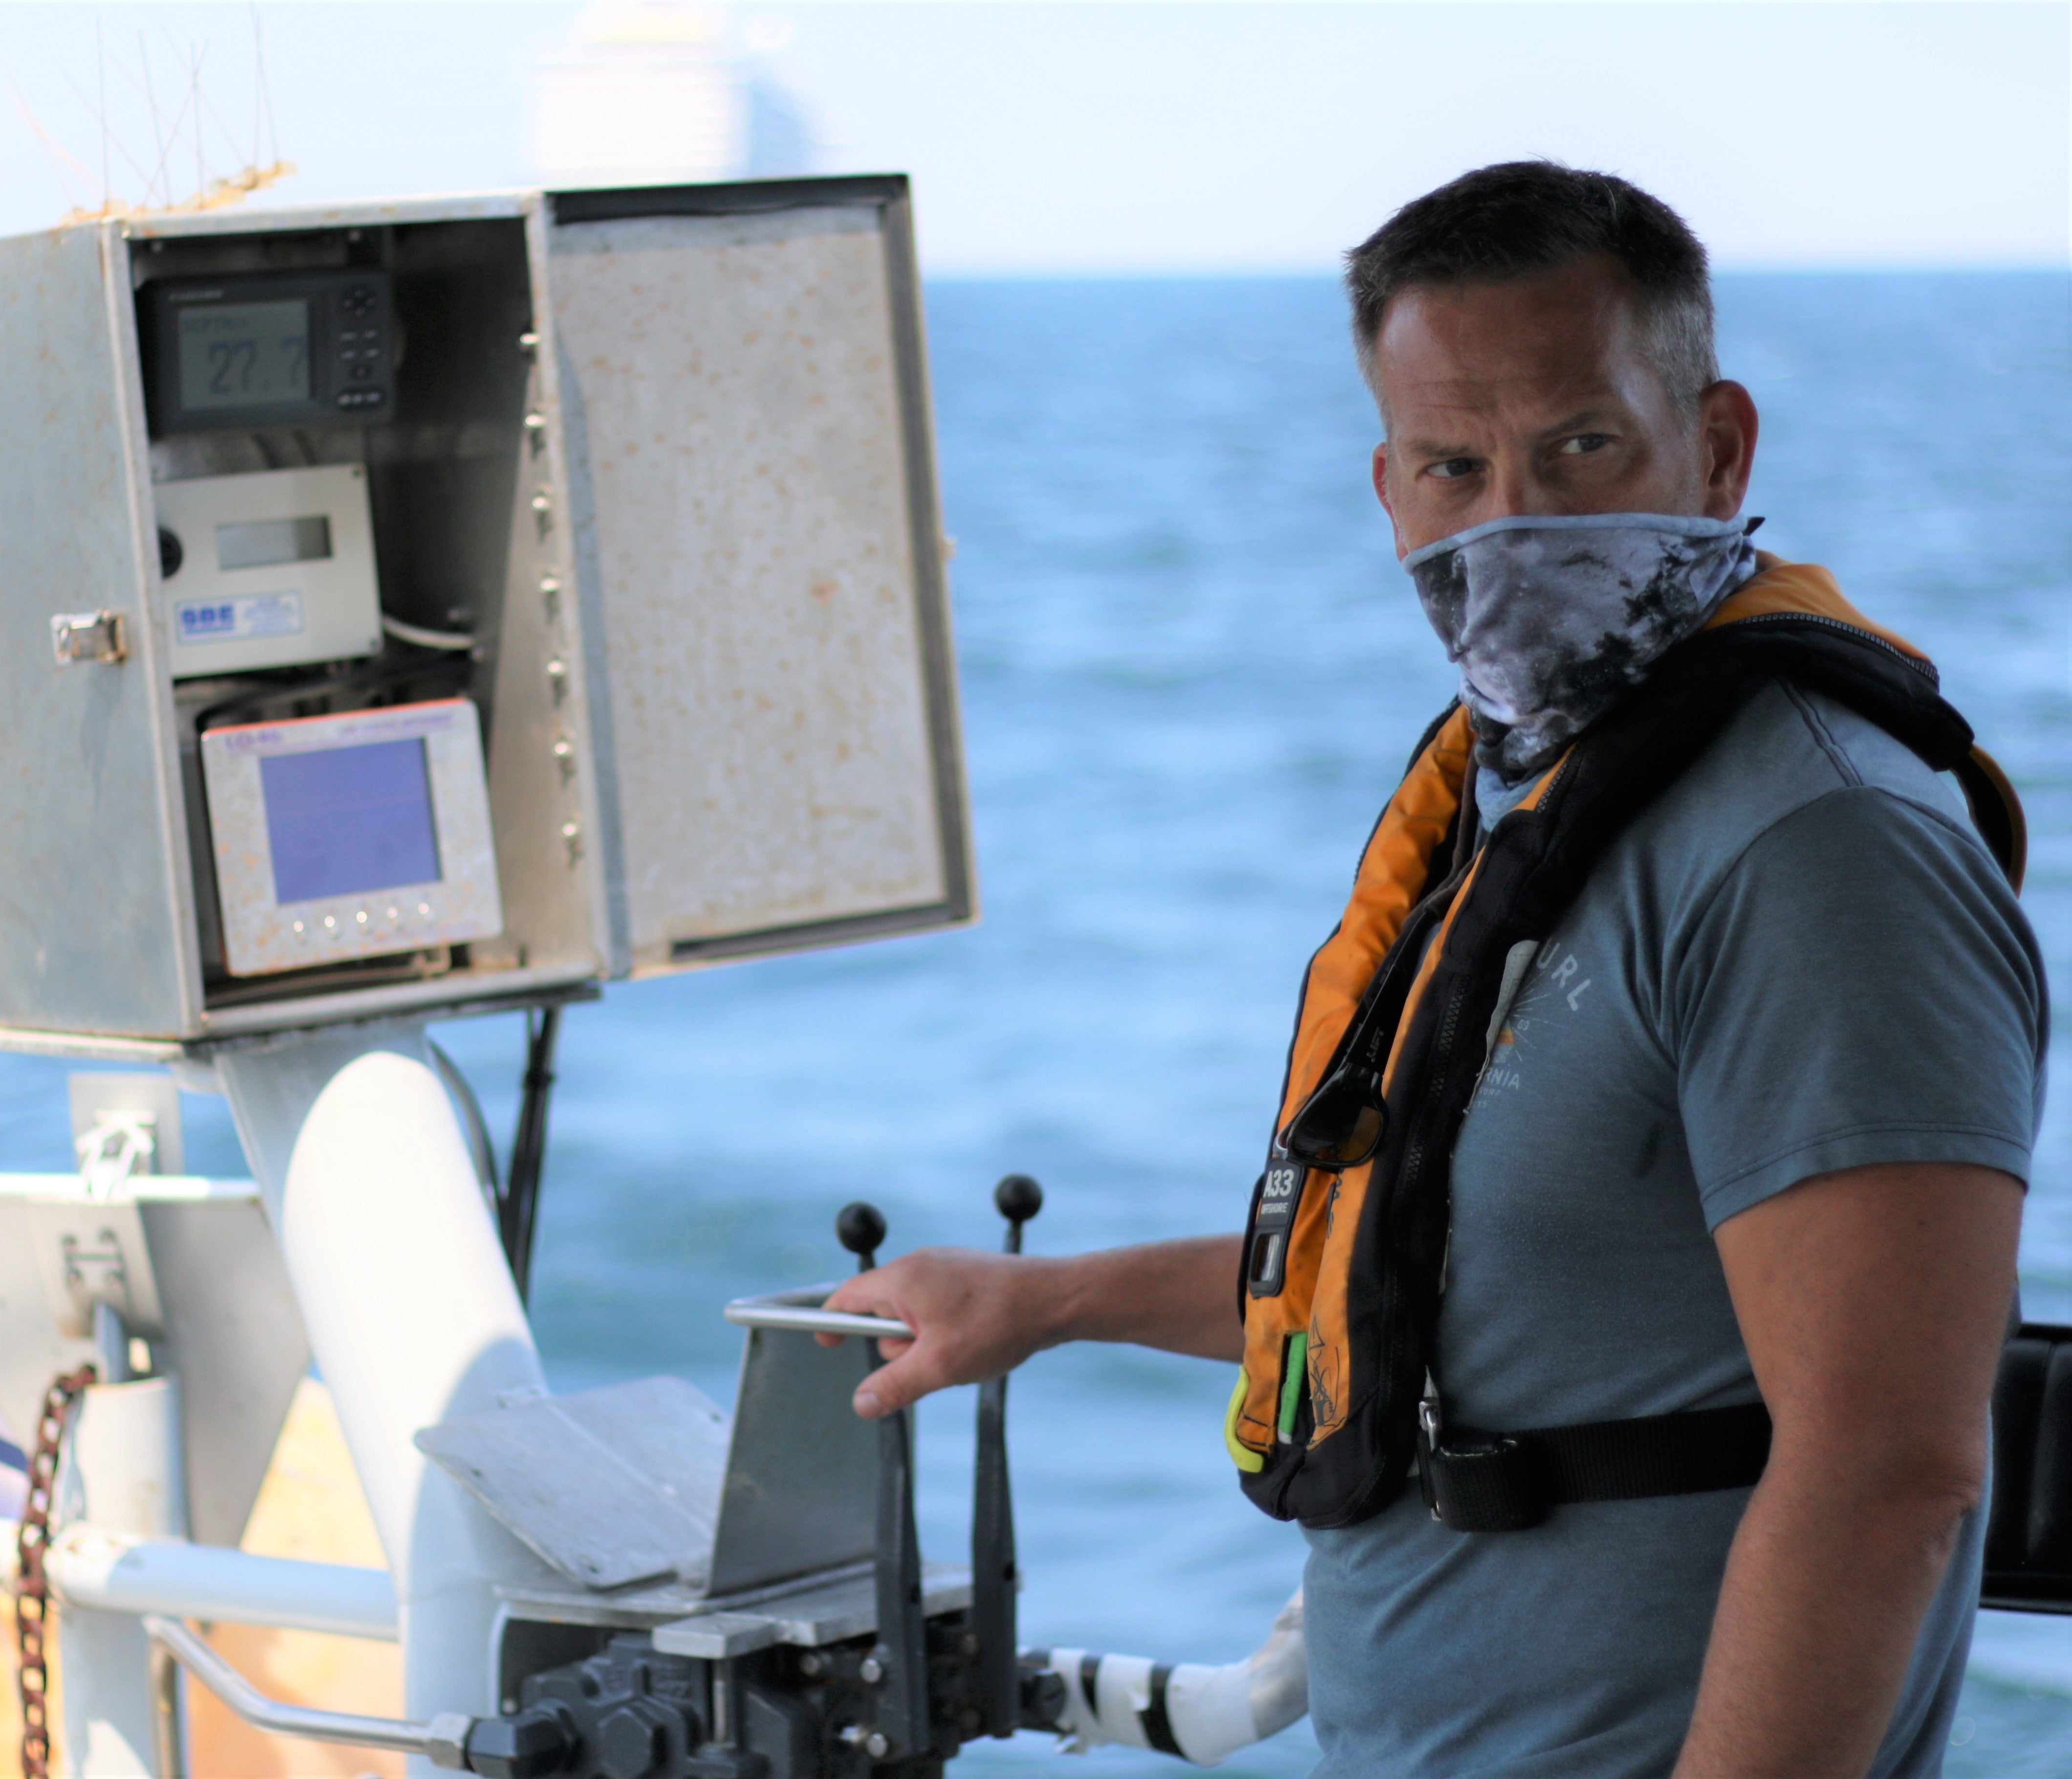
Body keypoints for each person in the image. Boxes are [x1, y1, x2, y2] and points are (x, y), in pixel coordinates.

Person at [825, 162, 2047, 1778]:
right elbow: (1454, 1274)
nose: (1515, 524)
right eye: (1456, 466)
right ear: (1388, 488)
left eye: (1581, 448)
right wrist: (1046, 1305)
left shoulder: (1814, 845)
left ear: (1720, 444)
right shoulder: (1531, 795)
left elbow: (1890, 1469)